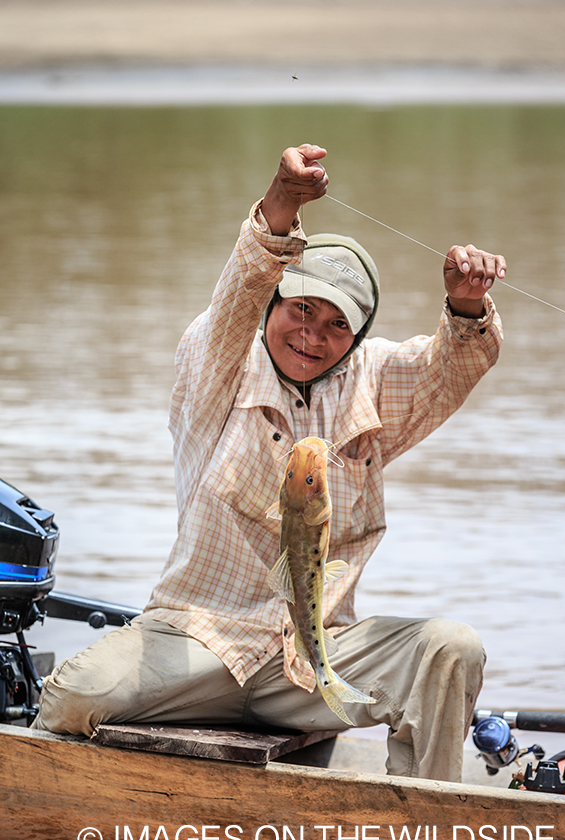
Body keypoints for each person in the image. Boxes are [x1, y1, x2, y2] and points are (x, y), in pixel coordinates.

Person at [32, 143, 505, 783]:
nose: (313, 334)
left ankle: (423, 837)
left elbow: (450, 367)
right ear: (273, 307)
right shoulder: (218, 364)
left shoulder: (368, 382)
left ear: (356, 340)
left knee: (451, 648)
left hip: (314, 657)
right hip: (202, 641)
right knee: (72, 696)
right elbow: (235, 297)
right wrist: (282, 201)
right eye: (300, 310)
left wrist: (466, 305)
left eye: (337, 326)